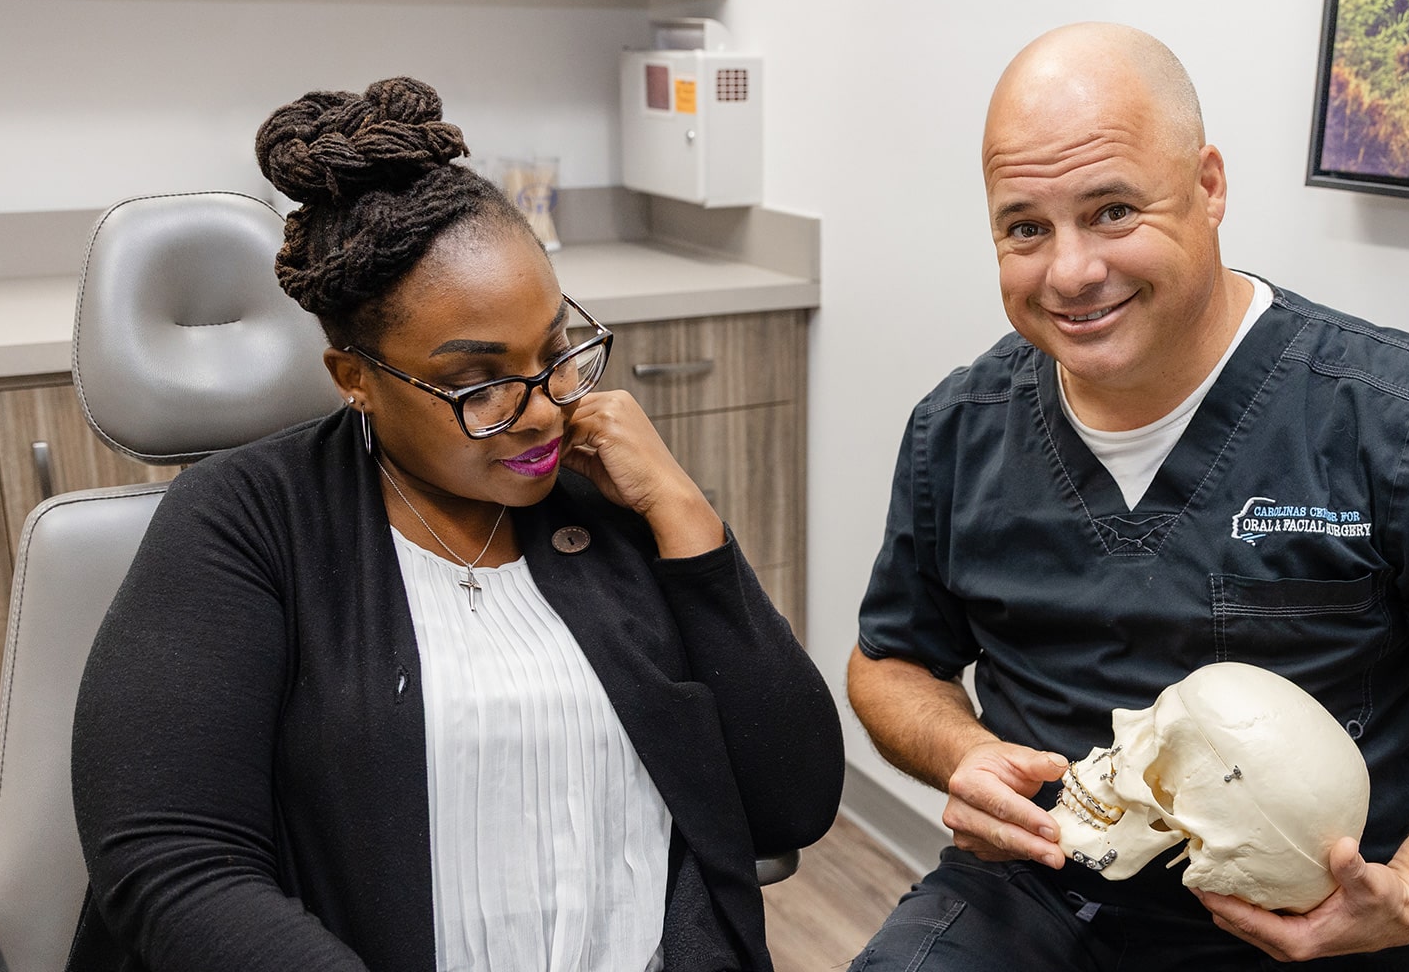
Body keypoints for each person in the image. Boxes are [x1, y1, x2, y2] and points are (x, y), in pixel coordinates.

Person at [847, 24, 1409, 970]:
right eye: (1025, 228)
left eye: (1112, 211)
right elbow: (891, 664)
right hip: (1035, 891)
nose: (1071, 273)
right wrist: (960, 752)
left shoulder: (1403, 423)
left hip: (1315, 926)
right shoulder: (959, 431)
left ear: (1209, 186)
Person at [69, 77, 843, 972]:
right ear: (353, 377)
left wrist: (689, 522)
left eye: (556, 352)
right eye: (481, 384)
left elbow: (793, 805)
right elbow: (175, 867)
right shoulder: (246, 524)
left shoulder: (606, 501)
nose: (546, 411)